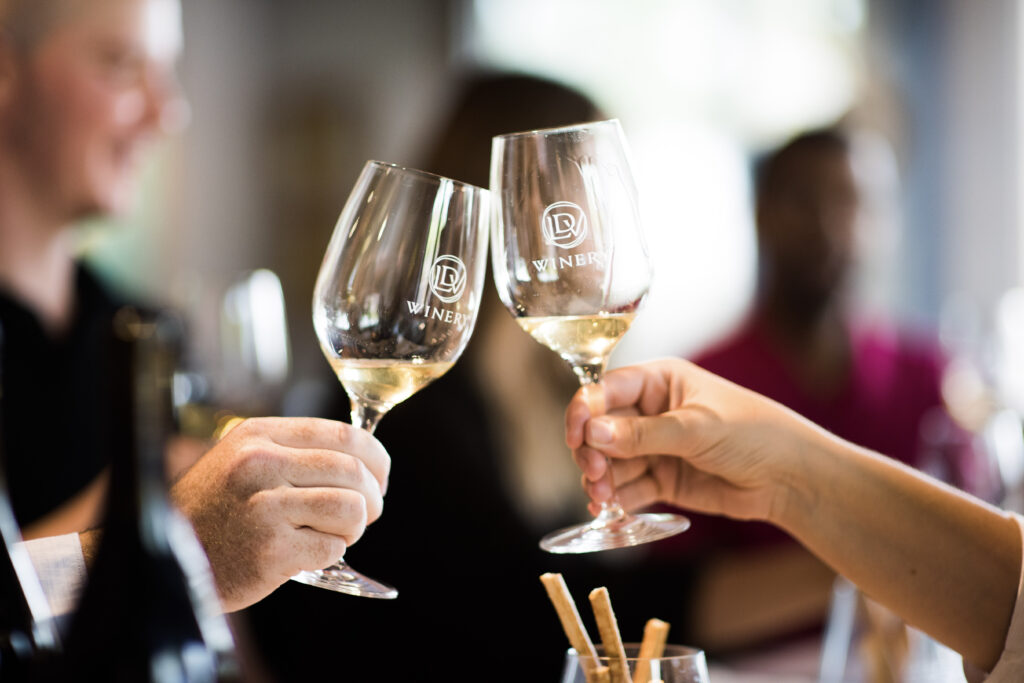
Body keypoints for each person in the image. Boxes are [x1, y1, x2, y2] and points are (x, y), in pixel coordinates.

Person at [0, 0, 389, 615]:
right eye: (122, 65)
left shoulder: (145, 328)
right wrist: (165, 533)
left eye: (168, 71)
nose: (169, 111)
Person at [665, 127, 990, 655]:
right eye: (801, 201)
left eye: (852, 203)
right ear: (761, 214)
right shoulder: (703, 383)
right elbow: (678, 606)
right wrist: (882, 558)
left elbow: (978, 561)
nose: (827, 227)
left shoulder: (930, 376)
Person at [565, 358, 1022, 681]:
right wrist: (786, 478)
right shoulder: (726, 360)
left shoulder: (924, 374)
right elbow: (1010, 609)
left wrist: (789, 478)